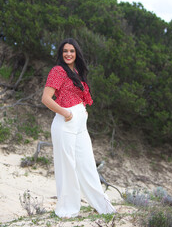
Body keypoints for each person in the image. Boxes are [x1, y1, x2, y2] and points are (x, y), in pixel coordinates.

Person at [41, 38, 116, 218]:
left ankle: (104, 207)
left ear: (77, 54)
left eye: (72, 51)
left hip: (80, 126)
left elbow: (78, 96)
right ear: (61, 53)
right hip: (64, 123)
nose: (68, 54)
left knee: (87, 164)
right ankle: (68, 209)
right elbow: (46, 98)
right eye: (65, 51)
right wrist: (66, 113)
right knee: (67, 166)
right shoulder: (58, 71)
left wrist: (82, 111)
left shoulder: (76, 72)